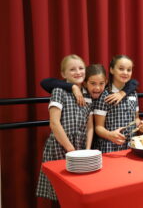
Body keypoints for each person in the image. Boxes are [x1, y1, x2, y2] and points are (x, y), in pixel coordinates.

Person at [36, 56, 107, 201]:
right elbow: (54, 124)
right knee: (61, 191)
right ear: (63, 74)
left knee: (78, 190)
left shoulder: (87, 94)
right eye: (72, 69)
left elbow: (90, 126)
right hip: (61, 146)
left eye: (81, 68)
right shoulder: (58, 91)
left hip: (80, 147)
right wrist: (71, 150)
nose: (78, 72)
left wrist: (87, 149)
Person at [94, 55, 143, 153]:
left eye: (129, 70)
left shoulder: (133, 93)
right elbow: (98, 127)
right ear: (111, 70)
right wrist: (109, 135)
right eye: (121, 69)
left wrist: (141, 126)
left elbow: (135, 118)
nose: (125, 72)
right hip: (110, 148)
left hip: (130, 146)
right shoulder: (104, 94)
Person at [40, 74, 138, 106]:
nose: (97, 88)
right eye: (92, 83)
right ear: (85, 83)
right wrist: (73, 87)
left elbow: (134, 82)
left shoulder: (105, 88)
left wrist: (122, 93)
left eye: (101, 84)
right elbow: (45, 82)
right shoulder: (83, 90)